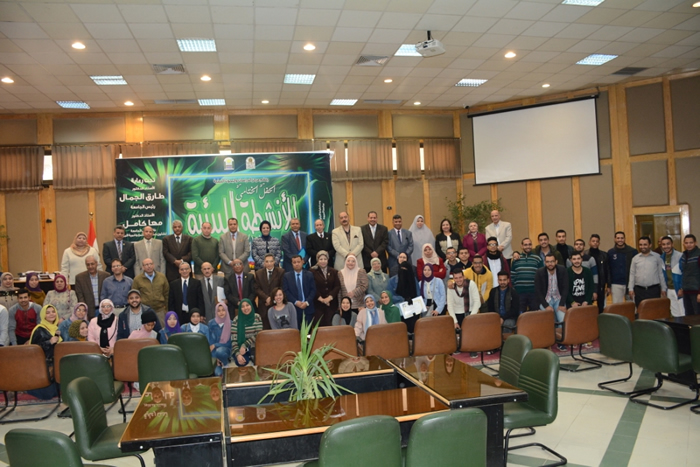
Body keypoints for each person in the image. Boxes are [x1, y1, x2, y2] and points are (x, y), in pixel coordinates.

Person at [628, 236, 666, 307]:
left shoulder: (657, 257)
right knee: (640, 311)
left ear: (650, 245)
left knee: (653, 310)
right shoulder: (635, 258)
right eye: (640, 245)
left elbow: (661, 273)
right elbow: (632, 274)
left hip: (653, 290)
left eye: (645, 244)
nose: (642, 247)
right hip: (639, 290)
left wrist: (663, 288)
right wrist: (630, 288)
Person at [132, 258, 170, 325]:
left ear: (153, 265)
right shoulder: (137, 279)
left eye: (150, 264)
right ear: (143, 267)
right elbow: (134, 295)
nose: (149, 266)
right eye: (146, 265)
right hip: (145, 310)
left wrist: (166, 309)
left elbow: (166, 293)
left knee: (162, 329)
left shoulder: (162, 277)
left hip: (160, 310)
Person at [510, 238, 543, 313]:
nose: (528, 246)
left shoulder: (537, 258)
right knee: (521, 314)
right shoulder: (516, 259)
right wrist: (515, 288)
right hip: (520, 292)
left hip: (533, 292)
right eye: (525, 245)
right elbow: (512, 276)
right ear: (521, 246)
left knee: (534, 314)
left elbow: (541, 275)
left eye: (529, 244)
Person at [282, 255, 316, 326]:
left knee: (308, 331)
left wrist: (306, 302)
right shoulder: (287, 276)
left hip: (308, 307)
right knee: (296, 330)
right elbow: (286, 291)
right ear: (292, 263)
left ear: (302, 262)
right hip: (294, 308)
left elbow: (313, 290)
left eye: (298, 262)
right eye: (294, 262)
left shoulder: (309, 275)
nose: (297, 264)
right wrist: (296, 302)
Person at [535, 253, 569, 324]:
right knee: (549, 321)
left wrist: (561, 304)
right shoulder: (539, 272)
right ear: (544, 262)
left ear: (556, 261)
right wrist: (546, 306)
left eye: (552, 261)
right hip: (546, 300)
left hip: (558, 299)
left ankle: (560, 331)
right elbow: (538, 291)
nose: (550, 264)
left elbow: (565, 288)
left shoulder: (562, 270)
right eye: (547, 262)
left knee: (563, 321)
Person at [253, 253, 285, 330]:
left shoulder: (281, 272)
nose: (269, 263)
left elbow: (281, 287)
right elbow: (257, 288)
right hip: (263, 304)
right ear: (264, 262)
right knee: (265, 329)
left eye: (271, 261)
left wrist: (272, 299)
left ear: (274, 262)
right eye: (267, 261)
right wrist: (266, 298)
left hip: (277, 304)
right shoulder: (258, 273)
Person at [607, 231, 638, 303]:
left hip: (630, 284)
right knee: (617, 306)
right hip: (616, 284)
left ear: (624, 239)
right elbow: (608, 269)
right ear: (615, 239)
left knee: (631, 305)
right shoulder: (610, 252)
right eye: (618, 238)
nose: (620, 240)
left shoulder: (632, 251)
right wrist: (609, 285)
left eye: (622, 238)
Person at [311, 250, 340, 326]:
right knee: (319, 325)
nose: (323, 261)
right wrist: (321, 299)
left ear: (328, 260)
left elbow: (337, 286)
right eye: (321, 259)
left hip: (331, 303)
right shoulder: (312, 271)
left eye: (325, 259)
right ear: (317, 260)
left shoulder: (334, 271)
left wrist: (329, 298)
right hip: (318, 304)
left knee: (331, 324)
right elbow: (311, 286)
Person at [30, 304, 62, 371]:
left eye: (53, 312)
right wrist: (49, 342)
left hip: (56, 362)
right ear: (43, 315)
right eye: (47, 313)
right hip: (44, 364)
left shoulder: (56, 328)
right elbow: (33, 348)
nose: (51, 314)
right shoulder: (39, 329)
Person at [231, 299, 263, 367]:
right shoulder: (236, 320)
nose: (245, 308)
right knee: (241, 362)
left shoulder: (257, 317)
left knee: (261, 361)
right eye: (242, 306)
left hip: (254, 346)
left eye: (247, 305)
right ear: (240, 309)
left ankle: (251, 356)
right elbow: (233, 339)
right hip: (239, 347)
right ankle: (248, 357)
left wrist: (245, 345)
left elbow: (258, 335)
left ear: (251, 306)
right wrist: (238, 354)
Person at [660, 236, 685, 317]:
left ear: (672, 244)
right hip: (669, 289)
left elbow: (684, 273)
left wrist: (682, 288)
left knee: (683, 312)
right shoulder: (661, 258)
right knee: (674, 313)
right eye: (664, 244)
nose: (666, 246)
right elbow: (662, 275)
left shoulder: (680, 256)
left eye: (668, 244)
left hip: (678, 289)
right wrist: (664, 289)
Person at [393, 258, 420, 332]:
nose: (403, 272)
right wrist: (402, 299)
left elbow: (418, 294)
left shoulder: (414, 280)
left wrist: (413, 300)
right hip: (400, 310)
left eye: (405, 269)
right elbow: (390, 296)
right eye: (402, 269)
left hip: (413, 308)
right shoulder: (393, 280)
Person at [586, 234, 608, 313]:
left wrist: (608, 285)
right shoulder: (585, 255)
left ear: (599, 243)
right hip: (588, 283)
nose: (595, 243)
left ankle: (600, 319)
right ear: (589, 242)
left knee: (601, 305)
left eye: (597, 241)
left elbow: (607, 270)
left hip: (600, 283)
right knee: (588, 304)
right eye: (593, 241)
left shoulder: (604, 255)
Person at [208, 303, 232, 375]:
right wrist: (215, 358)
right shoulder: (211, 323)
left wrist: (216, 345)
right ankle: (221, 362)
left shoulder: (231, 323)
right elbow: (210, 343)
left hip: (226, 350)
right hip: (214, 352)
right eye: (219, 311)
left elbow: (229, 343)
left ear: (226, 311)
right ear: (216, 312)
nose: (221, 312)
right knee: (217, 373)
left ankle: (225, 364)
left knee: (220, 351)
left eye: (223, 310)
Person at [679, 234, 700, 316]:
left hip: (696, 291)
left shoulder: (698, 255)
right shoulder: (684, 255)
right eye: (686, 243)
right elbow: (684, 273)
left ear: (695, 243)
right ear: (683, 244)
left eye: (691, 243)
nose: (689, 245)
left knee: (697, 316)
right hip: (686, 291)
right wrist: (681, 288)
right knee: (688, 316)